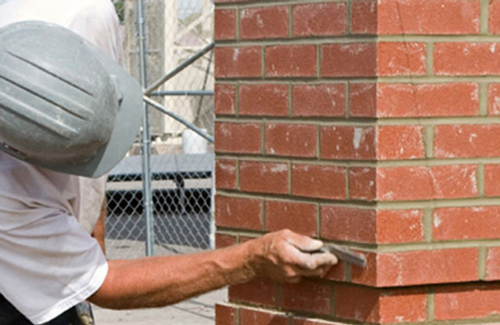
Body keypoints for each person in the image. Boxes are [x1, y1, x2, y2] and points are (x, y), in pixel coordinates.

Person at [0, 1, 338, 324]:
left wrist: (92, 236)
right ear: (19, 151)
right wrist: (253, 259)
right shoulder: (8, 197)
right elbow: (104, 283)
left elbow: (90, 168)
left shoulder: (82, 12)